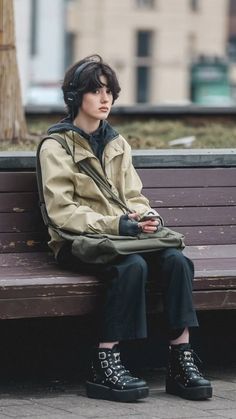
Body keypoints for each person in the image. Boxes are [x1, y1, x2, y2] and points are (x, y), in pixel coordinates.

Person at [38, 54, 212, 403]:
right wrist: (117, 224)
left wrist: (146, 217)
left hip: (122, 236)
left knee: (177, 261)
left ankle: (180, 360)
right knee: (130, 266)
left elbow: (133, 195)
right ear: (75, 97)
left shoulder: (117, 143)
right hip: (78, 241)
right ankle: (106, 361)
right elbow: (63, 214)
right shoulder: (56, 147)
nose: (105, 99)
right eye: (95, 91)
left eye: (109, 92)